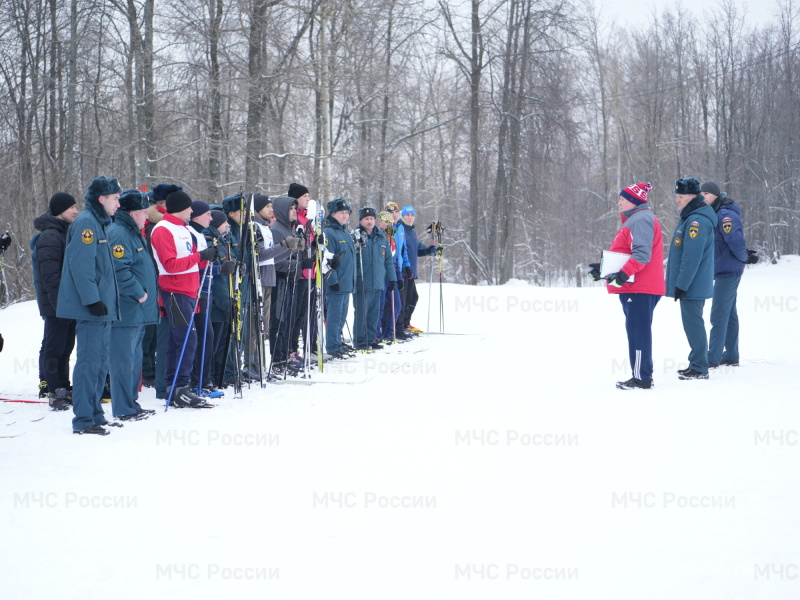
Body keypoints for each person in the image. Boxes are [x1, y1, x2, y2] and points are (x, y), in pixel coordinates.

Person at [57, 175, 122, 435]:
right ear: (102, 199)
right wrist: (92, 299)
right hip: (92, 307)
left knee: (100, 363)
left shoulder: (100, 222)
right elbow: (81, 266)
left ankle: (95, 412)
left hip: (103, 307)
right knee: (89, 363)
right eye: (116, 199)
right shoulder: (86, 223)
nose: (118, 204)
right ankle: (84, 419)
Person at [589, 183, 665, 390]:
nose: (619, 202)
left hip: (640, 287)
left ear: (634, 200)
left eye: (622, 198)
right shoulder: (636, 219)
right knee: (636, 330)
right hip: (637, 286)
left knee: (637, 332)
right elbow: (627, 253)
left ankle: (641, 378)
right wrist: (605, 269)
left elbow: (642, 255)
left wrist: (622, 274)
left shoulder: (640, 220)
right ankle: (640, 374)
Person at [150, 190, 217, 407]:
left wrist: (210, 262)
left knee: (178, 339)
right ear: (180, 208)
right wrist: (199, 257)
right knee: (187, 340)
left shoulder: (184, 229)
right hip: (174, 293)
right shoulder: (163, 229)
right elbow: (169, 265)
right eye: (189, 208)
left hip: (190, 292)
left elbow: (192, 261)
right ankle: (180, 386)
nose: (192, 211)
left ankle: (174, 386)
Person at [107, 189, 158, 420]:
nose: (146, 217)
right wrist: (139, 293)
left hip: (138, 311)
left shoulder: (134, 232)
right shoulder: (119, 234)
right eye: (142, 213)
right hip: (126, 309)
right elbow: (119, 270)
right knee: (123, 361)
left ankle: (131, 404)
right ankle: (123, 408)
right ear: (131, 213)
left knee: (133, 361)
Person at [665, 177, 717, 380]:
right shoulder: (689, 217)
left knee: (693, 324)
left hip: (692, 284)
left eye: (681, 196)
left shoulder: (697, 220)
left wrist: (681, 284)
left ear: (693, 196)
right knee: (691, 324)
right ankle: (696, 362)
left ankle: (699, 367)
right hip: (691, 283)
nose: (677, 200)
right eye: (676, 196)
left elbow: (691, 256)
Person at [700, 181, 757, 368]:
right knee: (729, 313)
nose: (703, 196)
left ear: (716, 195)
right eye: (701, 193)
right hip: (723, 268)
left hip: (729, 270)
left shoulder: (724, 215)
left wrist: (744, 257)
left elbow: (735, 240)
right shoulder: (714, 212)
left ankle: (713, 357)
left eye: (706, 193)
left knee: (718, 314)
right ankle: (731, 355)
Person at [31, 193, 79, 410]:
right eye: (72, 208)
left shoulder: (64, 232)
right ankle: (54, 390)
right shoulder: (50, 236)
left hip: (67, 303)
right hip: (56, 304)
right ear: (60, 210)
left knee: (66, 347)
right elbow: (50, 277)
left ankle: (64, 387)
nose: (76, 211)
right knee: (54, 347)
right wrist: (61, 306)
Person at [267, 196, 308, 373]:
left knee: (288, 321)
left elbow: (295, 254)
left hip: (291, 279)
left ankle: (284, 357)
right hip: (281, 280)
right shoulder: (277, 230)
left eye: (295, 208)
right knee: (279, 321)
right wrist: (295, 265)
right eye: (291, 208)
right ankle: (277, 361)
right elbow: (274, 260)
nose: (294, 211)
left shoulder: (289, 229)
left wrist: (303, 263)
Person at [353, 207, 397, 350]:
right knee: (362, 313)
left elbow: (388, 261)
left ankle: (371, 338)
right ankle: (360, 341)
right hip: (362, 282)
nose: (369, 221)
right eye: (366, 219)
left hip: (378, 282)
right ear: (361, 221)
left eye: (372, 218)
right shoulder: (356, 236)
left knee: (374, 313)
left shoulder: (381, 237)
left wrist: (392, 279)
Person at [395, 205, 438, 335]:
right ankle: (400, 325)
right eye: (407, 215)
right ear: (402, 216)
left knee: (413, 298)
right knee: (404, 299)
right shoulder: (400, 229)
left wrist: (428, 250)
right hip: (403, 271)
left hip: (411, 271)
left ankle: (406, 322)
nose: (410, 217)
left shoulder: (412, 232)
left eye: (412, 215)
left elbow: (416, 250)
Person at [323, 198, 356, 358]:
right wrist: (333, 280)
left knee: (342, 316)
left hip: (346, 283)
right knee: (334, 317)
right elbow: (328, 259)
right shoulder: (329, 232)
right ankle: (332, 346)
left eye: (346, 212)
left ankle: (338, 341)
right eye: (341, 212)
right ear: (333, 214)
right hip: (336, 283)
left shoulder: (345, 231)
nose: (345, 215)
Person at [376, 211, 403, 343]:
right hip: (380, 275)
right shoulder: (377, 237)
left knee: (396, 305)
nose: (388, 225)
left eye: (390, 223)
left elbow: (396, 260)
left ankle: (389, 333)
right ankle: (377, 334)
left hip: (391, 276)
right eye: (385, 222)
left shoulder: (392, 239)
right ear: (380, 222)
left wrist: (399, 277)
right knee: (380, 307)